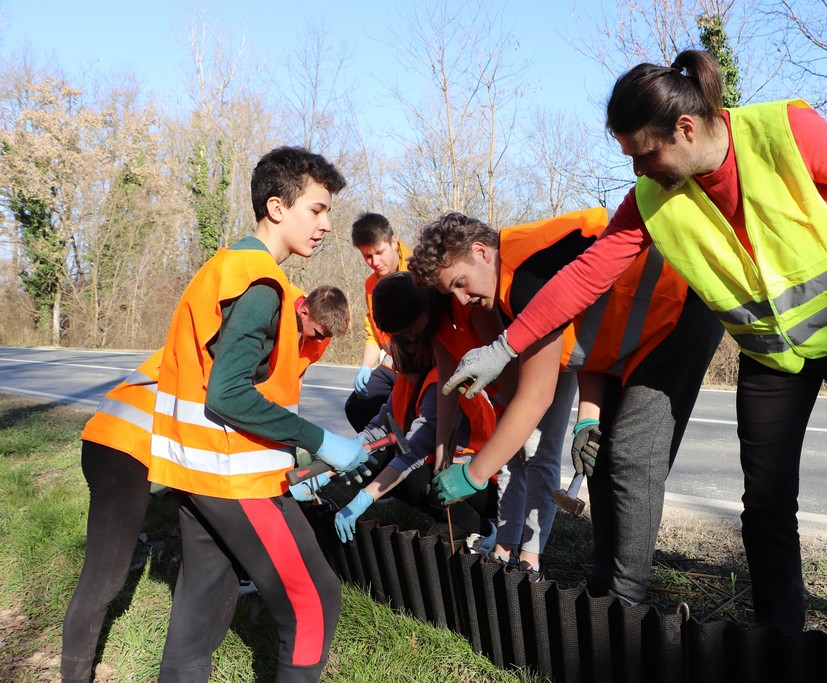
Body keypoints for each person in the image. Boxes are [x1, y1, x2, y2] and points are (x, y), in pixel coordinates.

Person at [442, 51, 827, 644]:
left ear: (687, 129)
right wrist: (505, 344)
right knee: (767, 500)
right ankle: (779, 632)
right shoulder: (653, 196)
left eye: (646, 153)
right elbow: (589, 272)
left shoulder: (785, 131)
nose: (641, 169)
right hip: (774, 354)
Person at [409, 209, 723, 589]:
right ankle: (603, 586)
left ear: (482, 251)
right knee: (604, 461)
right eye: (451, 293)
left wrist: (474, 473)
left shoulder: (527, 274)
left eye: (460, 282)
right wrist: (588, 417)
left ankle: (626, 601)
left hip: (681, 311)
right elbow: (591, 338)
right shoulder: (510, 284)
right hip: (640, 337)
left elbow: (536, 396)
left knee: (632, 461)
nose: (462, 298)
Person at [147, 146, 368, 682]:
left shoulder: (227, 267)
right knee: (315, 601)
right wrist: (320, 440)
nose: (327, 225)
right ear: (276, 207)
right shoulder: (260, 283)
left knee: (197, 617)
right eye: (317, 209)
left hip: (197, 474)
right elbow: (228, 395)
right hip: (234, 478)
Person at [59, 284, 350, 683]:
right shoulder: (257, 322)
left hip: (179, 453)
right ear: (302, 312)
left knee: (217, 560)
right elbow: (236, 406)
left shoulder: (286, 339)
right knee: (106, 574)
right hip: (125, 442)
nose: (315, 343)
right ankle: (74, 675)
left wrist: (286, 472)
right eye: (315, 333)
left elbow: (266, 413)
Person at [331, 272, 499, 549]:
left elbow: (415, 452)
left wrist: (362, 499)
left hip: (483, 483)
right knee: (389, 463)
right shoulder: (408, 379)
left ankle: (480, 528)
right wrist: (341, 456)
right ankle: (450, 518)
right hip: (450, 467)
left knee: (413, 478)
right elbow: (378, 427)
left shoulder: (437, 383)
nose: (396, 372)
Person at [345, 212, 411, 432]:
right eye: (367, 256)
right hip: (393, 364)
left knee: (408, 417)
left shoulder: (418, 271)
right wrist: (365, 366)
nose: (375, 262)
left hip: (422, 366)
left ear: (393, 242)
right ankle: (385, 461)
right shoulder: (371, 285)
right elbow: (374, 333)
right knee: (357, 406)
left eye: (380, 252)